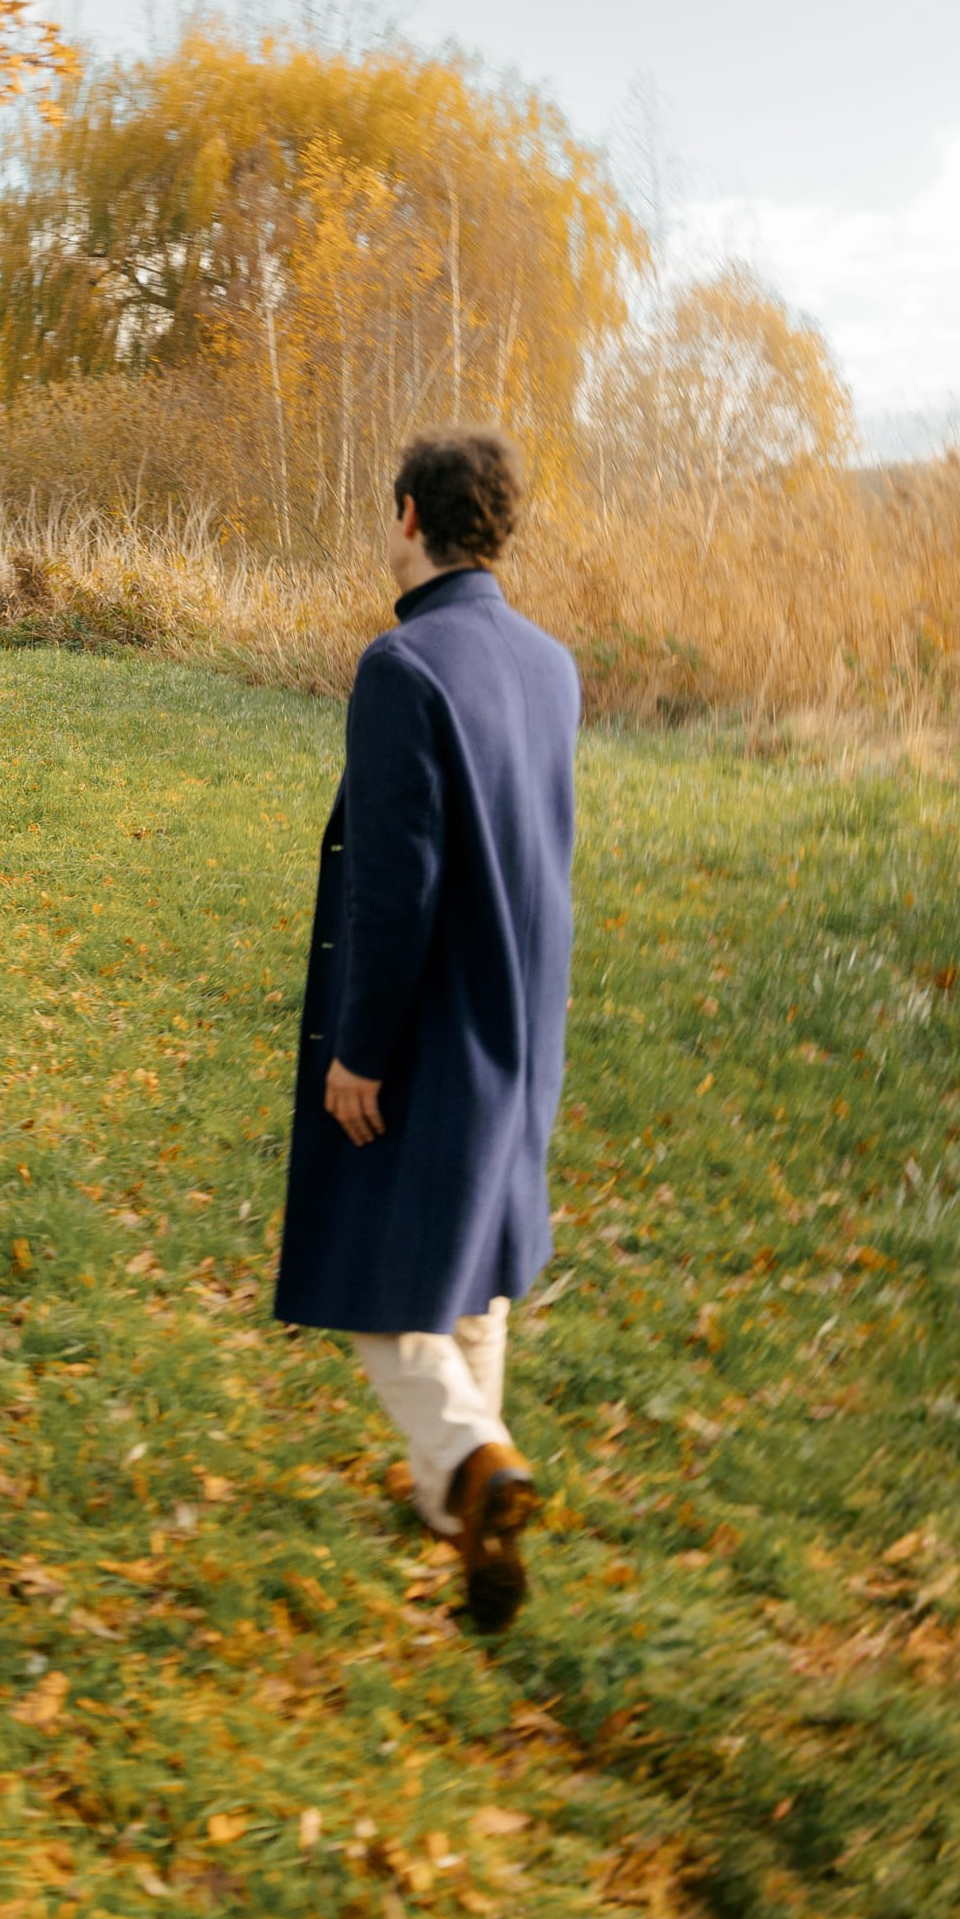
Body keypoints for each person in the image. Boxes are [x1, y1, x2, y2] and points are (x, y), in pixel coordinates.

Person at [272, 430, 579, 1632]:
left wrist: (361, 1050)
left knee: (379, 1286)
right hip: (521, 1012)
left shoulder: (403, 667)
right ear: (494, 529)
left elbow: (391, 886)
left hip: (436, 1021)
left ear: (407, 517)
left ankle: (472, 1464)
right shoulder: (550, 665)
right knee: (476, 1266)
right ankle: (454, 1510)